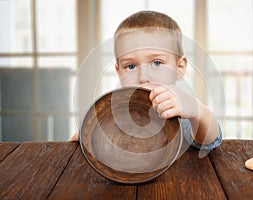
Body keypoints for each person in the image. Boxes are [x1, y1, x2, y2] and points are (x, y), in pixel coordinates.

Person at [71, 10, 222, 153]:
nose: (143, 77)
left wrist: (198, 111)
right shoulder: (112, 117)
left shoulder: (179, 112)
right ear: (119, 72)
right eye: (131, 66)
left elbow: (210, 140)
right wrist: (85, 137)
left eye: (156, 63)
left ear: (179, 68)